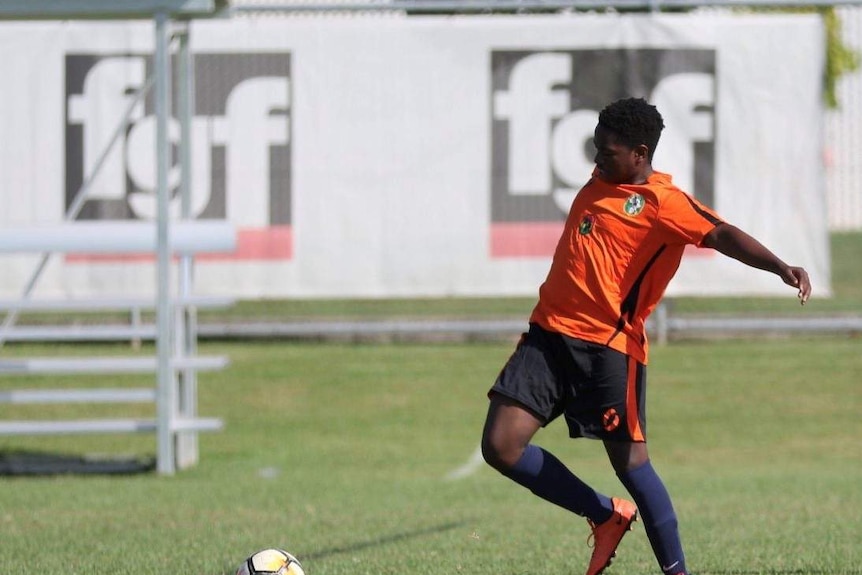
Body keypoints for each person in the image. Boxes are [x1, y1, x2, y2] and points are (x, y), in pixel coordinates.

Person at [480, 97, 811, 575]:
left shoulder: (663, 203)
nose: (596, 161)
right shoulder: (601, 181)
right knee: (501, 446)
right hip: (548, 337)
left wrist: (779, 266)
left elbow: (721, 233)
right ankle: (603, 514)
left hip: (608, 350)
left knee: (632, 465)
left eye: (607, 153)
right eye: (595, 150)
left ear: (640, 152)